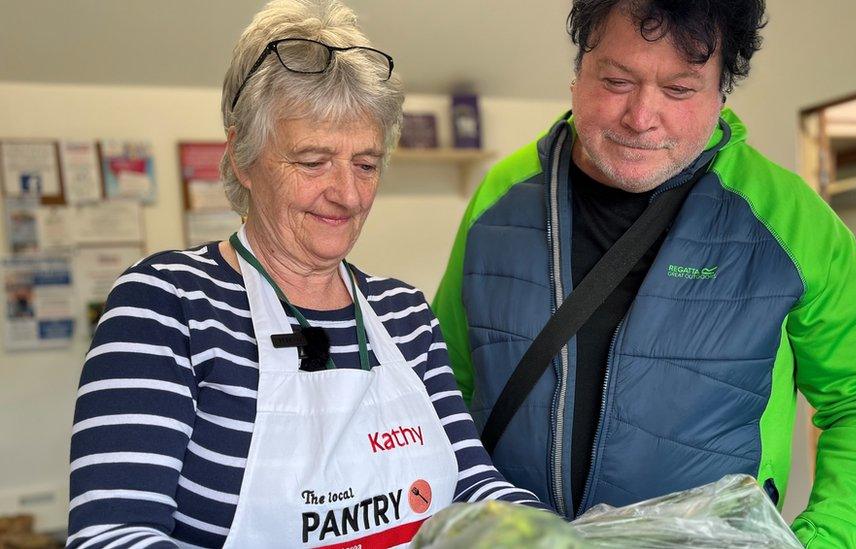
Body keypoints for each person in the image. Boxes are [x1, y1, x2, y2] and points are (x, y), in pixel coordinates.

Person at [432, 1, 856, 547]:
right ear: (578, 76)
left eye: (680, 90)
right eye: (617, 80)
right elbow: (445, 386)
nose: (641, 117)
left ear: (720, 96)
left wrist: (826, 540)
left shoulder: (788, 219)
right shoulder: (501, 197)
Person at [67, 1, 541, 547]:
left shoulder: (404, 314)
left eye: (365, 164)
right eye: (313, 162)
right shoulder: (167, 305)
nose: (347, 194)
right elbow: (112, 535)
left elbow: (473, 483)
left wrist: (549, 536)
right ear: (242, 158)